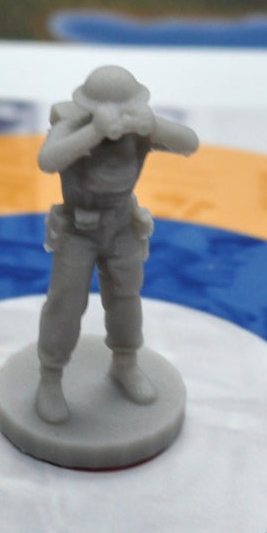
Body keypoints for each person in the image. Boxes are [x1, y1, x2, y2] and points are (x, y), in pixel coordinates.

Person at [34, 65, 198, 424]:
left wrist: (152, 126)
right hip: (78, 229)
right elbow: (48, 160)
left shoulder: (139, 129)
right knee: (65, 304)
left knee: (125, 298)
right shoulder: (72, 123)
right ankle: (50, 378)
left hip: (122, 225)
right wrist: (95, 131)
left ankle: (125, 363)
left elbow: (190, 142)